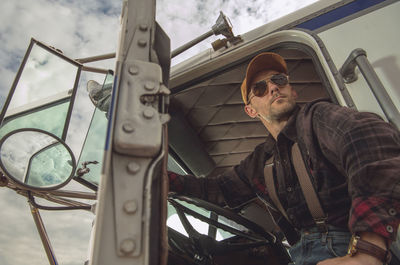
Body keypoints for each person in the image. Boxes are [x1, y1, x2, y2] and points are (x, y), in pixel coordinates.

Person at [168, 52, 400, 265]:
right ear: (251, 110)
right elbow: (219, 190)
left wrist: (368, 251)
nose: (273, 88)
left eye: (278, 80)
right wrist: (162, 179)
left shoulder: (316, 117)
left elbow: (370, 140)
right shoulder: (261, 159)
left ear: (292, 90)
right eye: (260, 88)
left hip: (346, 245)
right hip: (299, 252)